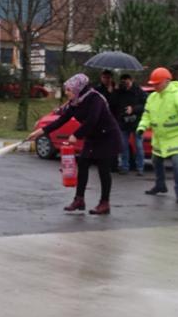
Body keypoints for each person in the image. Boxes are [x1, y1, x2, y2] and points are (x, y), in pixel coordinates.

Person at [26, 74, 121, 215]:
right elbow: (61, 120)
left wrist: (76, 135)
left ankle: (104, 203)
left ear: (78, 88)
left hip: (107, 136)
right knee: (82, 164)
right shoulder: (75, 102)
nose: (66, 92)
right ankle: (79, 200)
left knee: (103, 170)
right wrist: (40, 131)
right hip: (92, 136)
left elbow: (92, 120)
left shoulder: (95, 99)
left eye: (69, 89)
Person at [137, 67, 178, 204]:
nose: (154, 86)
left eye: (157, 83)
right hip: (160, 137)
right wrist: (142, 127)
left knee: (177, 164)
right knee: (156, 161)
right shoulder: (153, 97)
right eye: (153, 84)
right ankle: (160, 185)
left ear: (167, 81)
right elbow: (147, 115)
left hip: (177, 137)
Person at [111, 73, 147, 175]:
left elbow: (145, 105)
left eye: (127, 82)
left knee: (138, 145)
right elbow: (113, 104)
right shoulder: (119, 92)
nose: (125, 84)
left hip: (136, 122)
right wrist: (115, 90)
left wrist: (133, 109)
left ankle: (140, 167)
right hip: (123, 122)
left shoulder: (138, 91)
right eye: (123, 82)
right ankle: (124, 166)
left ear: (131, 80)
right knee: (123, 145)